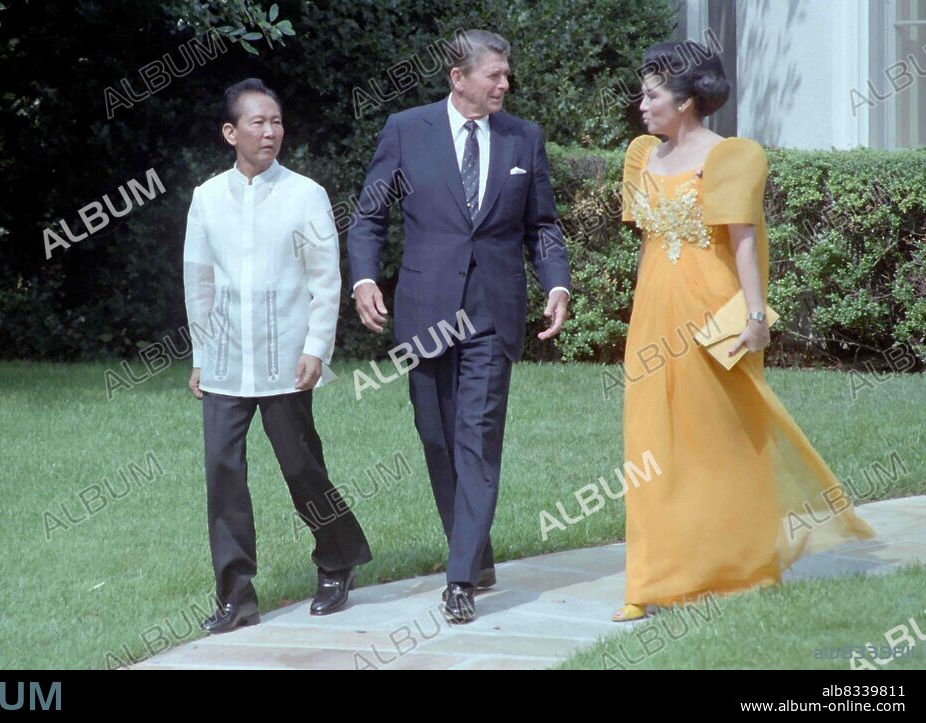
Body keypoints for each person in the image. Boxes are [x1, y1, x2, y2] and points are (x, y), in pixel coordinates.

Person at [616, 41, 876, 622]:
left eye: (653, 95)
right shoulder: (642, 157)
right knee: (649, 443)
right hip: (654, 316)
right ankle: (649, 579)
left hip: (715, 314)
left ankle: (742, 566)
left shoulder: (732, 156)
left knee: (723, 440)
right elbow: (648, 247)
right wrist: (638, 319)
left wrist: (756, 319)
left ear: (685, 102)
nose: (642, 104)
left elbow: (745, 242)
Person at [347, 30, 572, 623]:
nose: (505, 84)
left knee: (477, 438)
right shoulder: (406, 130)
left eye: (506, 75)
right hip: (424, 311)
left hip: (492, 312)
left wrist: (556, 284)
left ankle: (460, 578)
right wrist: (364, 279)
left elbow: (542, 226)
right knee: (437, 437)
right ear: (459, 78)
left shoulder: (524, 137)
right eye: (494, 75)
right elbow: (369, 214)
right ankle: (478, 552)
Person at [184, 78, 372, 633]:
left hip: (287, 358)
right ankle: (235, 595)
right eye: (257, 123)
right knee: (222, 474)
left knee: (301, 467)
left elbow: (324, 280)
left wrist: (317, 347)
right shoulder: (206, 197)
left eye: (277, 122)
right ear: (230, 132)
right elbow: (199, 282)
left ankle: (338, 558)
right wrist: (200, 354)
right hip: (222, 361)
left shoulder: (305, 194)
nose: (270, 132)